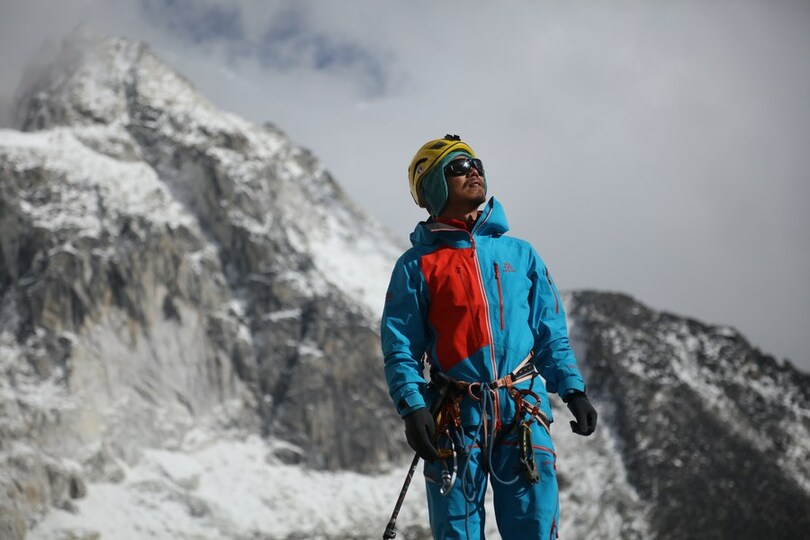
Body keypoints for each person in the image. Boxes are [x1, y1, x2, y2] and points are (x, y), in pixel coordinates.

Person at [381, 134, 597, 539]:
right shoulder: (416, 266)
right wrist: (412, 407)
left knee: (535, 526)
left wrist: (573, 390)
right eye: (458, 167)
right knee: (457, 532)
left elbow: (550, 332)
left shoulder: (521, 254)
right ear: (433, 186)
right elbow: (400, 347)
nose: (474, 171)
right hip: (455, 416)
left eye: (475, 163)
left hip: (522, 408)